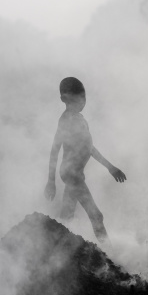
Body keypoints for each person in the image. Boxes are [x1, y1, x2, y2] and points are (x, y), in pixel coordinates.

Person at [44, 77, 126, 244]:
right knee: (96, 215)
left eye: (84, 98)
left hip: (75, 174)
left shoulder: (80, 120)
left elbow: (90, 148)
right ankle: (109, 254)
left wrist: (110, 168)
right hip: (71, 174)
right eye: (78, 98)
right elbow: (54, 149)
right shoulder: (66, 120)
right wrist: (50, 181)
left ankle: (53, 249)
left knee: (66, 217)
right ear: (64, 99)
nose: (82, 102)